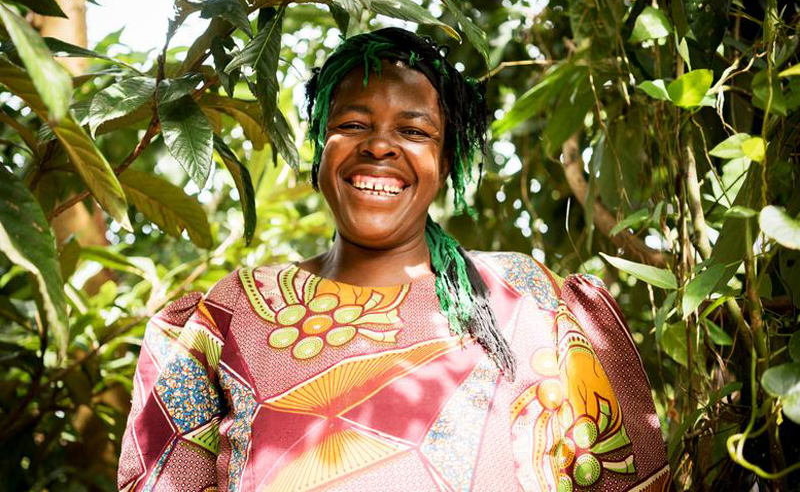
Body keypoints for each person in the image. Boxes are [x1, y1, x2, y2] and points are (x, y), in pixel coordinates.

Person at [118, 28, 671, 491]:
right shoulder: (228, 316)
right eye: (353, 125)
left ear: (445, 160)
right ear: (320, 146)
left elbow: (624, 476)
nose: (380, 146)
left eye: (413, 131)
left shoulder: (529, 301)